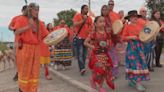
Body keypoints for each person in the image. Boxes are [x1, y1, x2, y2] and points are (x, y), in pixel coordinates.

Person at [14, 3, 49, 92]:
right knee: (25, 71)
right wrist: (29, 26)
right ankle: (22, 90)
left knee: (34, 72)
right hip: (24, 48)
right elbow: (16, 32)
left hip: (36, 49)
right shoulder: (21, 19)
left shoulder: (40, 23)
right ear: (30, 10)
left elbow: (46, 36)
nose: (37, 12)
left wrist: (56, 38)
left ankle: (33, 90)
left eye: (38, 10)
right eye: (35, 10)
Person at [84, 16, 115, 92]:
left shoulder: (106, 33)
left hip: (105, 55)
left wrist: (109, 45)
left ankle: (100, 86)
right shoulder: (93, 33)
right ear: (95, 24)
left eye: (104, 21)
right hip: (96, 55)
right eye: (100, 22)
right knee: (99, 70)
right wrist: (92, 46)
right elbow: (85, 42)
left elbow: (109, 43)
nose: (103, 23)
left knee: (105, 71)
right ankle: (93, 80)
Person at [122, 10, 150, 92]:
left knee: (140, 64)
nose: (135, 18)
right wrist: (131, 37)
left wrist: (150, 32)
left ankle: (132, 81)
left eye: (136, 16)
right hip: (132, 48)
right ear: (129, 18)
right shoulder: (127, 26)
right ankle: (137, 83)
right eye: (132, 17)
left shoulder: (141, 25)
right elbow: (123, 38)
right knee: (135, 65)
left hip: (140, 47)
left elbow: (146, 33)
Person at [8, 5, 28, 81]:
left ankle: (25, 72)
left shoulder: (31, 19)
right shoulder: (16, 18)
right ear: (22, 10)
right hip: (17, 41)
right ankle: (18, 72)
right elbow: (9, 26)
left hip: (28, 43)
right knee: (16, 57)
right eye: (26, 10)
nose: (27, 12)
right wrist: (14, 28)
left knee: (26, 58)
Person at [73, 5, 93, 75]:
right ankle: (82, 68)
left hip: (86, 38)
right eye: (85, 9)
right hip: (79, 38)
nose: (87, 10)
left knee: (84, 55)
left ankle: (82, 67)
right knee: (80, 54)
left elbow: (92, 26)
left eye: (87, 9)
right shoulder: (77, 16)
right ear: (82, 9)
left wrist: (90, 34)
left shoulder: (89, 18)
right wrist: (83, 21)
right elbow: (75, 24)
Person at [101, 5, 119, 79]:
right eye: (103, 9)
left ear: (108, 11)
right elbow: (96, 29)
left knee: (113, 58)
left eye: (106, 9)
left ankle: (113, 74)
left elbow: (114, 30)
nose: (105, 11)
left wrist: (111, 31)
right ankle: (105, 73)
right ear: (101, 11)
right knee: (103, 58)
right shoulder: (99, 19)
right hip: (101, 41)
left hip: (110, 41)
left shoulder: (110, 19)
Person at [138, 7, 155, 72]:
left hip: (149, 39)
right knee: (143, 53)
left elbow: (152, 29)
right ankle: (143, 66)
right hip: (142, 39)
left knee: (150, 53)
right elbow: (141, 30)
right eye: (143, 11)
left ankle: (149, 66)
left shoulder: (148, 20)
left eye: (145, 11)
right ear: (140, 12)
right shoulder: (138, 20)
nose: (145, 12)